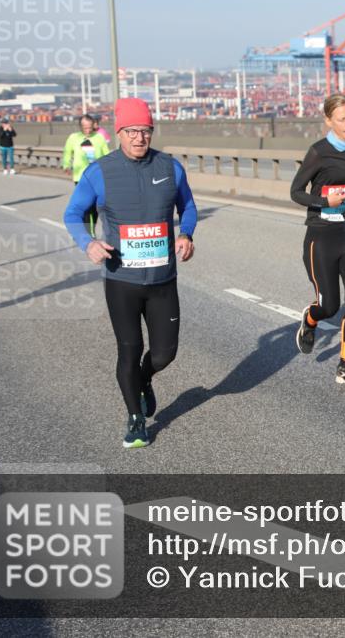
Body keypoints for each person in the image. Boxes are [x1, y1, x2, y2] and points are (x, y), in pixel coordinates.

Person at [63, 98, 198, 449]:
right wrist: (88, 243)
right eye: (132, 131)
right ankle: (136, 420)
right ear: (119, 132)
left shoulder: (170, 167)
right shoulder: (100, 172)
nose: (140, 138)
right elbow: (73, 214)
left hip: (162, 280)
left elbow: (189, 206)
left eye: (146, 131)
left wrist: (186, 233)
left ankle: (145, 378)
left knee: (165, 353)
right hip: (122, 280)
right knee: (129, 348)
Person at [291, 94, 345, 388]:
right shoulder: (319, 152)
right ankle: (311, 320)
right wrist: (325, 200)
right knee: (329, 306)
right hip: (322, 234)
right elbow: (296, 192)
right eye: (342, 119)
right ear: (329, 121)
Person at [63, 114, 110, 235]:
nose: (88, 130)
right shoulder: (74, 138)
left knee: (94, 206)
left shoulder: (99, 138)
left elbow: (106, 154)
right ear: (80, 126)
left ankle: (91, 230)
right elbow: (67, 152)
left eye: (90, 127)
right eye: (85, 128)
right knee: (84, 205)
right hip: (80, 176)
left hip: (97, 176)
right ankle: (87, 232)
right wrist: (66, 165)